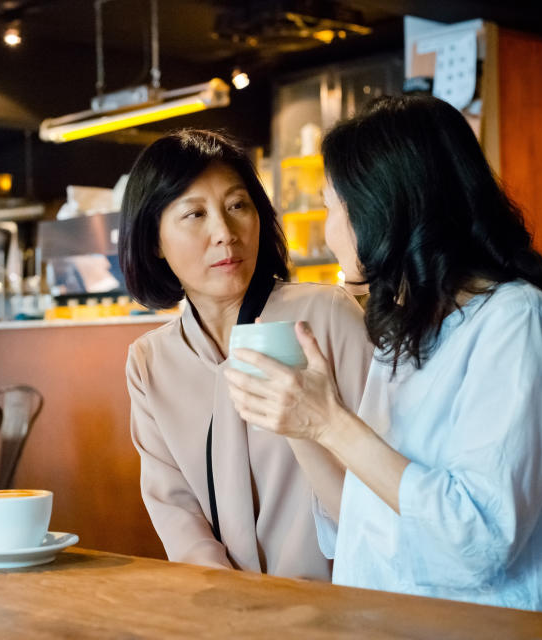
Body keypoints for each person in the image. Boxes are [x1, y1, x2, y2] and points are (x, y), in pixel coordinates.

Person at [224, 95, 542, 615]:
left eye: (331, 206)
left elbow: (478, 543)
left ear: (382, 208)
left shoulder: (519, 323)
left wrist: (331, 423)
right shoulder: (411, 334)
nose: (327, 233)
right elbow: (359, 517)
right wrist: (299, 424)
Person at [120, 129, 372, 578]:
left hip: (343, 600)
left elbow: (379, 473)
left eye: (237, 206)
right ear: (154, 240)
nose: (224, 233)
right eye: (194, 214)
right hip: (224, 612)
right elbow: (175, 508)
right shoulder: (150, 362)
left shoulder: (325, 315)